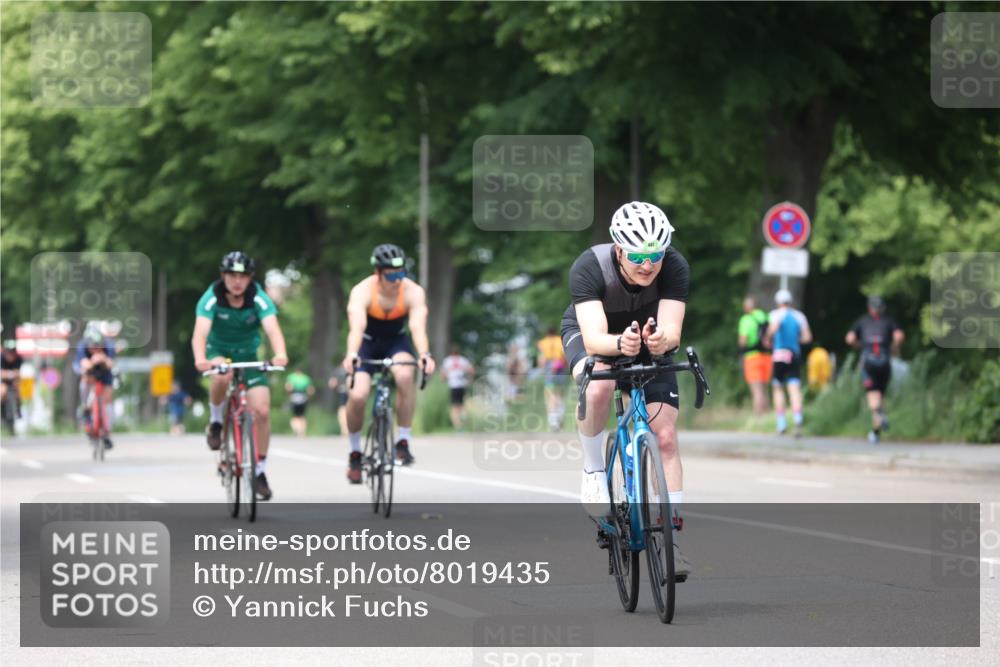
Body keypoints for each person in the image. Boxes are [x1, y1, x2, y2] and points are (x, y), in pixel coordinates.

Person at [561, 200, 691, 579]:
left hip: (646, 338)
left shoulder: (675, 266)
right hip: (596, 336)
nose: (648, 264)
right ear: (618, 249)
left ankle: (672, 538)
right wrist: (620, 345)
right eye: (637, 254)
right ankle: (593, 469)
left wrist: (658, 339)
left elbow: (673, 332)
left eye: (655, 254)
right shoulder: (589, 266)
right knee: (598, 386)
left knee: (664, 436)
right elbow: (595, 336)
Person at [192, 251, 289, 500]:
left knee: (262, 410)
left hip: (248, 355)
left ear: (250, 279)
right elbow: (200, 333)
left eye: (243, 276)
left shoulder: (259, 297)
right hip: (219, 352)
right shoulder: (211, 298)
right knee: (222, 377)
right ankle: (215, 422)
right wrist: (201, 359)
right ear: (223, 276)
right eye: (232, 275)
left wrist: (280, 354)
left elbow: (272, 328)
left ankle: (260, 472)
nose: (237, 281)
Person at [342, 244, 436, 483]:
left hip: (397, 342)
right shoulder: (362, 291)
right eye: (391, 275)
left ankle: (402, 440)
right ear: (378, 273)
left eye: (401, 273)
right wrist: (352, 353)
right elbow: (357, 327)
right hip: (367, 342)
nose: (397, 280)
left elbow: (417, 326)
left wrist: (425, 354)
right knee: (358, 395)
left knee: (405, 376)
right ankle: (355, 452)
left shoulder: (412, 291)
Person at [846, 295, 904, 443]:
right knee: (880, 396)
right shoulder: (889, 321)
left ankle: (878, 415)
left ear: (869, 307)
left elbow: (850, 338)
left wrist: (860, 346)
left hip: (868, 361)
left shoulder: (863, 321)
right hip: (885, 360)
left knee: (872, 395)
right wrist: (893, 348)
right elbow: (899, 336)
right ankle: (875, 433)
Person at [765, 289, 813, 437]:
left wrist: (768, 337)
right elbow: (807, 338)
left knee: (778, 388)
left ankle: (781, 423)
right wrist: (795, 341)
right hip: (794, 354)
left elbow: (771, 331)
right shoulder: (799, 316)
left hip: (779, 354)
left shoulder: (775, 314)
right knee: (794, 388)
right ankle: (798, 419)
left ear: (778, 302)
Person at [73, 328, 117, 449]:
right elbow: (82, 364)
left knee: (108, 398)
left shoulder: (109, 347)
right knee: (85, 380)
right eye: (93, 348)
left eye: (99, 347)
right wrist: (92, 361)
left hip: (105, 372)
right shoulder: (82, 347)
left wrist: (103, 359)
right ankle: (85, 407)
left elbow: (111, 363)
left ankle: (107, 431)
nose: (96, 350)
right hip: (89, 372)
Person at [737, 296, 771, 415]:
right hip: (767, 356)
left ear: (746, 307)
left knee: (756, 390)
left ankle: (758, 417)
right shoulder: (764, 316)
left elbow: (743, 341)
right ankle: (768, 417)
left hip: (752, 357)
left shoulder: (746, 319)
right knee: (764, 388)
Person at [537, 328, 568, 431]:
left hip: (549, 369)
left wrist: (542, 370)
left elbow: (541, 359)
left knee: (550, 395)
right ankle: (560, 414)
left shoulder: (543, 343)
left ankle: (553, 420)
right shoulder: (560, 341)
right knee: (559, 393)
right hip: (560, 369)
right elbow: (565, 356)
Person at [442, 344, 475, 430]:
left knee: (454, 407)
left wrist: (446, 378)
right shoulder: (463, 360)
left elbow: (443, 376)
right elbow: (472, 370)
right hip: (462, 385)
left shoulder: (447, 361)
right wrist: (470, 380)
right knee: (462, 406)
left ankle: (458, 427)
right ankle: (464, 424)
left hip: (453, 385)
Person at [285, 368, 315, 437]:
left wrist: (289, 395)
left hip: (294, 396)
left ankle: (296, 428)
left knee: (295, 415)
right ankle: (302, 431)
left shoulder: (291, 377)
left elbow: (288, 387)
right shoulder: (306, 378)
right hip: (303, 396)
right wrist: (309, 397)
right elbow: (310, 389)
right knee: (302, 415)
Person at [1, 340, 23, 430]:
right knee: (2, 391)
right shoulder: (1, 358)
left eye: (13, 351)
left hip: (14, 381)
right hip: (2, 381)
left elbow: (20, 373)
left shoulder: (19, 359)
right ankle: (2, 413)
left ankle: (18, 410)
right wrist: (11, 374)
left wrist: (13, 376)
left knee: (19, 390)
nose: (11, 354)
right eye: (9, 351)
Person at [327, 363, 350, 436]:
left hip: (342, 392)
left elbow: (332, 384)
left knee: (342, 409)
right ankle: (348, 428)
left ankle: (344, 428)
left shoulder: (337, 371)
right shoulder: (355, 368)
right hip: (352, 392)